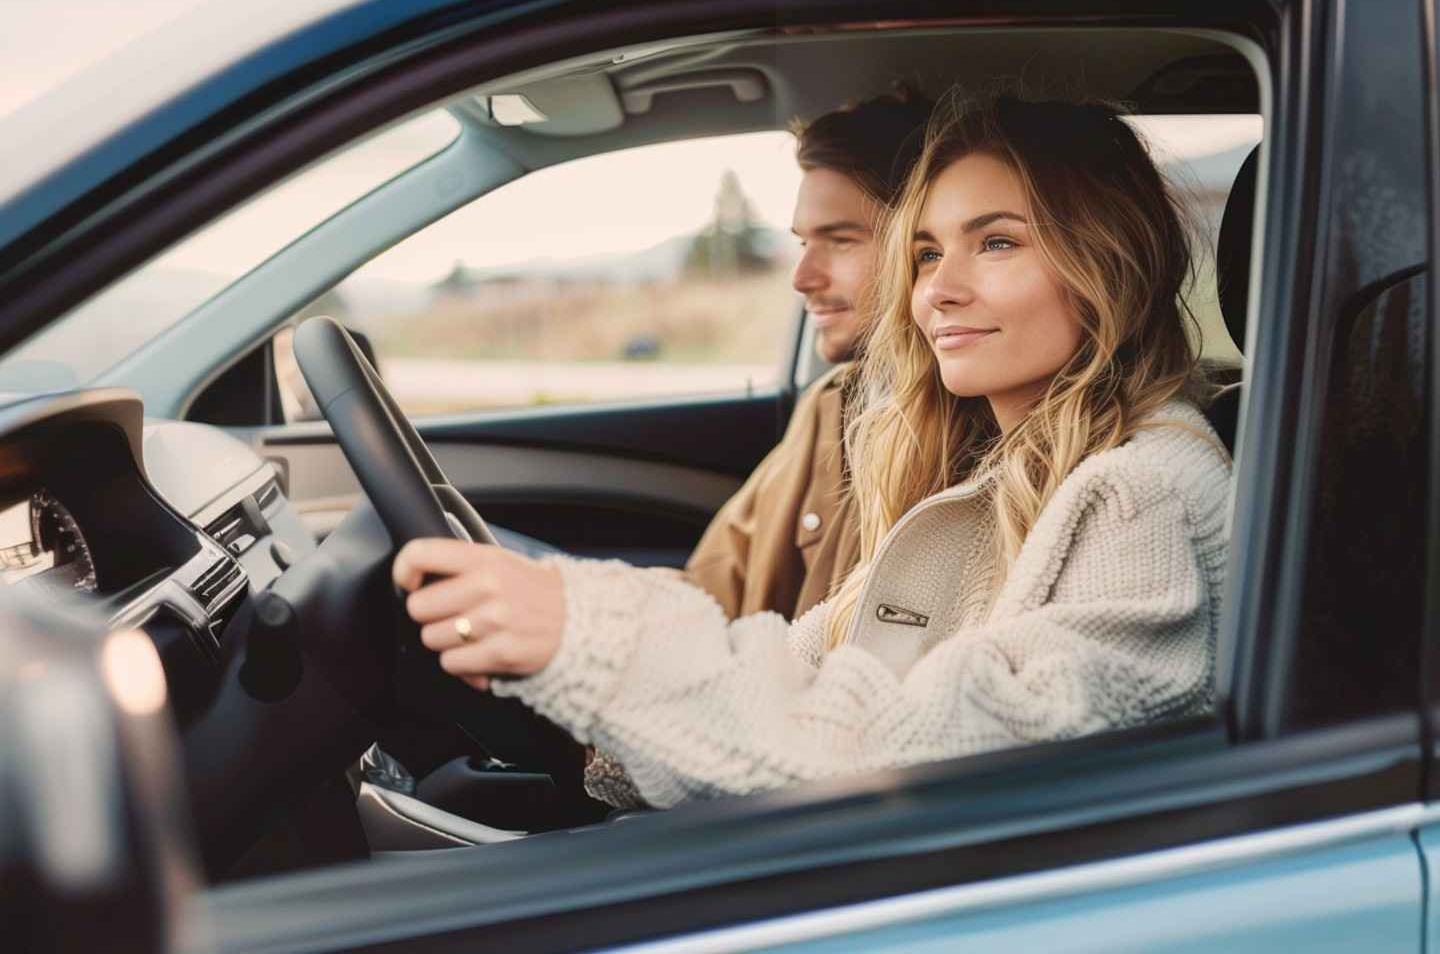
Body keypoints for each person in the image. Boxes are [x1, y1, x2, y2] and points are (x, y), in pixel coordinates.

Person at [393, 94, 1233, 809]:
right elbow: (814, 661)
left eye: (999, 241)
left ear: (1108, 261)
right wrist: (573, 682)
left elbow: (946, 750)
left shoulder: (1141, 492)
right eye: (928, 251)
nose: (937, 287)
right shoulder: (1007, 473)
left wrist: (595, 643)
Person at [684, 89, 933, 621]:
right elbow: (711, 586)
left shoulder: (972, 434)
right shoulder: (831, 404)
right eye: (802, 244)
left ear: (925, 245)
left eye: (841, 241)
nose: (802, 279)